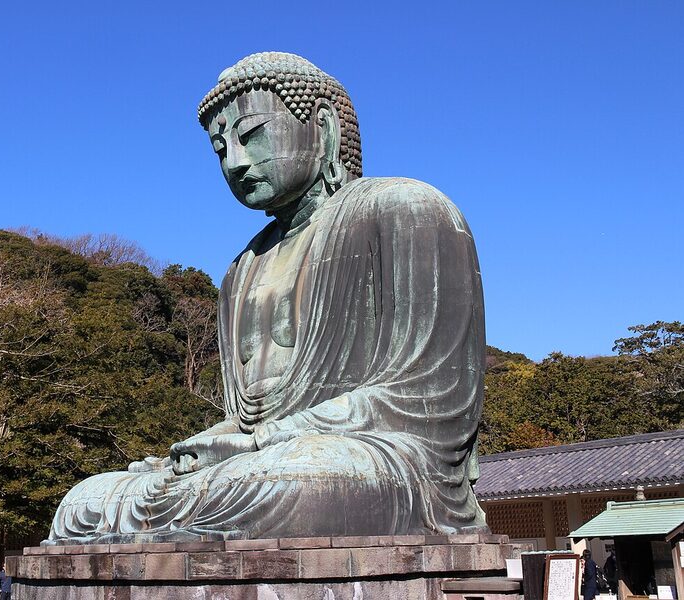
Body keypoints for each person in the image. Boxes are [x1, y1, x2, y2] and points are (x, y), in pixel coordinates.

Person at [47, 52, 487, 543]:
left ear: (322, 128)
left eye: (251, 134)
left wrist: (263, 440)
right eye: (220, 149)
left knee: (295, 482)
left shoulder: (406, 209)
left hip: (374, 458)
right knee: (87, 501)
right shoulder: (242, 268)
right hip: (260, 461)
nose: (235, 162)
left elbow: (432, 397)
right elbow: (247, 414)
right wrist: (215, 443)